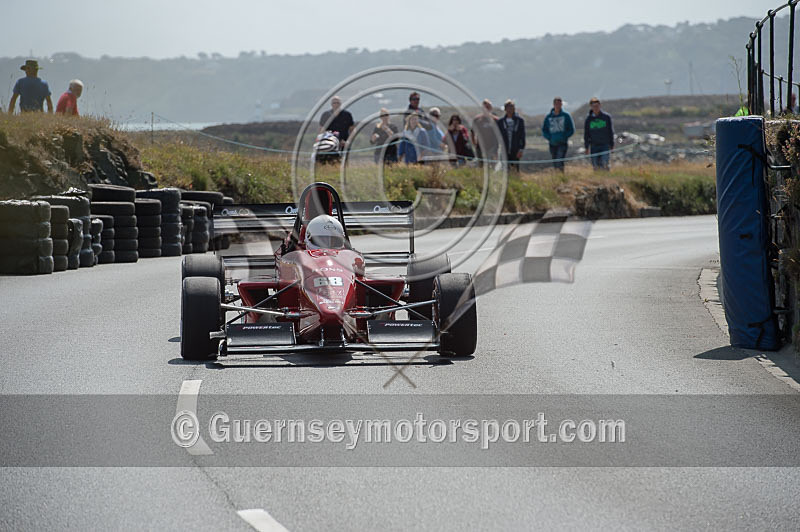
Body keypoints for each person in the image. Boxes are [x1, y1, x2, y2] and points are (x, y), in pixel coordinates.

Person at [541, 97, 575, 172]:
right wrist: (549, 137)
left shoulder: (566, 116)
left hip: (562, 143)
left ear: (561, 104)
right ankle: (558, 176)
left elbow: (571, 129)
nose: (557, 105)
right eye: (556, 104)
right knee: (555, 161)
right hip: (552, 143)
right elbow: (544, 130)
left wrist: (564, 136)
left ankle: (561, 175)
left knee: (560, 160)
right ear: (553, 104)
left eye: (559, 103)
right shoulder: (548, 117)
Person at [584, 97, 615, 171]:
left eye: (597, 106)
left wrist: (612, 145)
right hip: (594, 146)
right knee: (595, 166)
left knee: (604, 163)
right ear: (591, 107)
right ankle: (598, 179)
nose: (596, 108)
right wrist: (586, 147)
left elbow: (610, 131)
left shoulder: (606, 117)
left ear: (600, 106)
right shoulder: (588, 119)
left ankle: (606, 179)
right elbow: (586, 134)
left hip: (605, 145)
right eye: (594, 106)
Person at [496, 99, 525, 171]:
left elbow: (522, 136)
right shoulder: (500, 122)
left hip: (516, 149)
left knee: (515, 169)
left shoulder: (519, 121)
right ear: (505, 109)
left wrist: (521, 149)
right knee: (505, 170)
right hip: (504, 149)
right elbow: (497, 136)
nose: (510, 109)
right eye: (508, 107)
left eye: (512, 107)